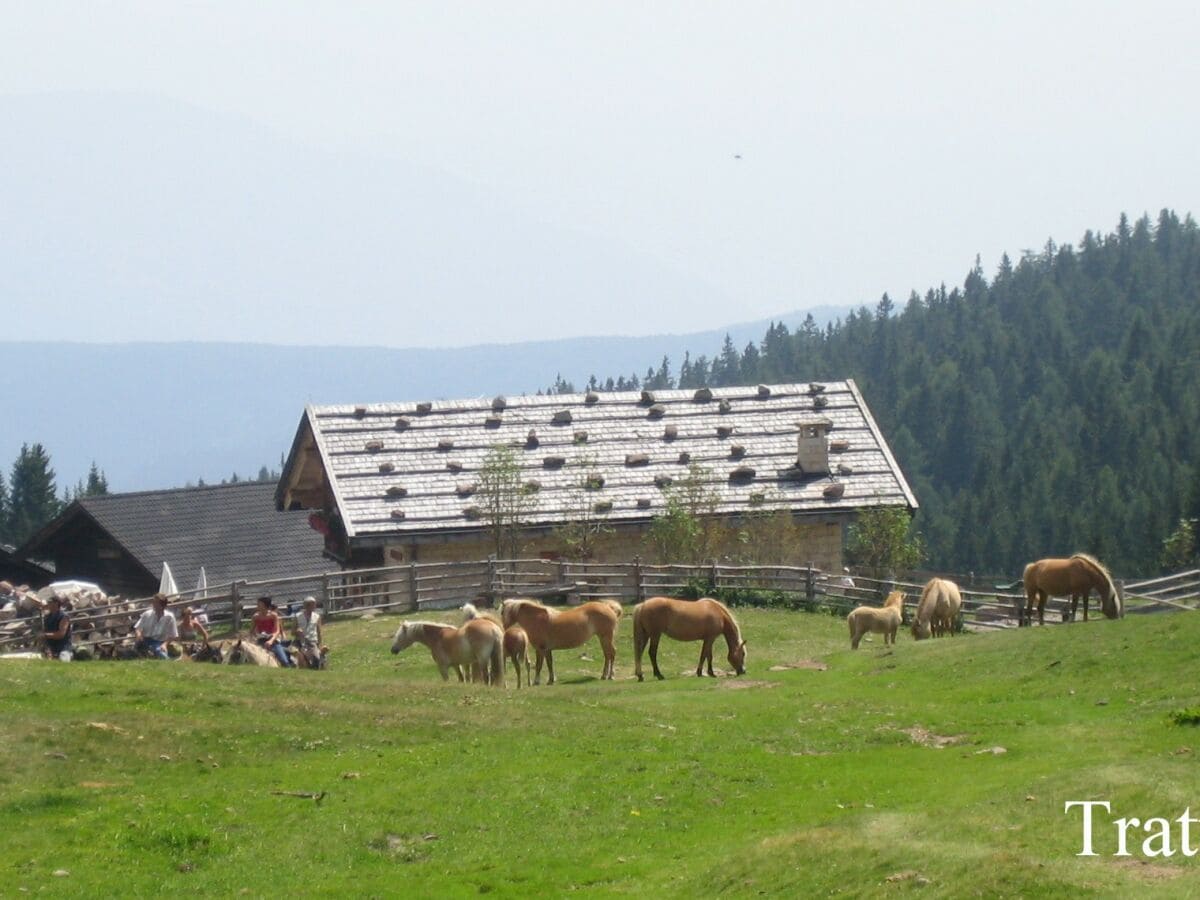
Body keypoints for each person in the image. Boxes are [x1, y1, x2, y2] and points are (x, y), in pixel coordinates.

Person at [252, 596, 294, 667]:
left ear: (265, 605)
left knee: (284, 661)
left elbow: (277, 631)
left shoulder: (273, 615)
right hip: (261, 640)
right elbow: (251, 630)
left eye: (259, 604)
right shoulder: (255, 616)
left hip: (273, 641)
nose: (257, 606)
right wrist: (251, 639)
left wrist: (270, 641)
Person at [134, 593, 179, 659]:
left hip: (159, 642)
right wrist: (139, 635)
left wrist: (165, 644)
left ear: (162, 605)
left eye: (155, 603)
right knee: (136, 650)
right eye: (153, 602)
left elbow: (173, 635)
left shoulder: (170, 617)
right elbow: (138, 628)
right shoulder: (147, 614)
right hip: (145, 640)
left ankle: (168, 663)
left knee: (160, 652)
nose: (153, 604)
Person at [293, 596, 324, 669]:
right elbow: (292, 632)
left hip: (311, 641)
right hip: (299, 641)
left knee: (316, 658)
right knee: (292, 655)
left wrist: (319, 644)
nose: (313, 606)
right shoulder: (297, 616)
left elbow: (319, 632)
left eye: (313, 604)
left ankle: (317, 668)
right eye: (309, 604)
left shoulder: (317, 616)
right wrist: (297, 631)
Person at [41, 595, 74, 661]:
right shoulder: (47, 617)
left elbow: (61, 635)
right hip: (51, 647)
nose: (48, 604)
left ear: (56, 603)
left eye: (50, 602)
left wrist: (45, 635)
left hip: (63, 648)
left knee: (62, 660)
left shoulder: (64, 617)